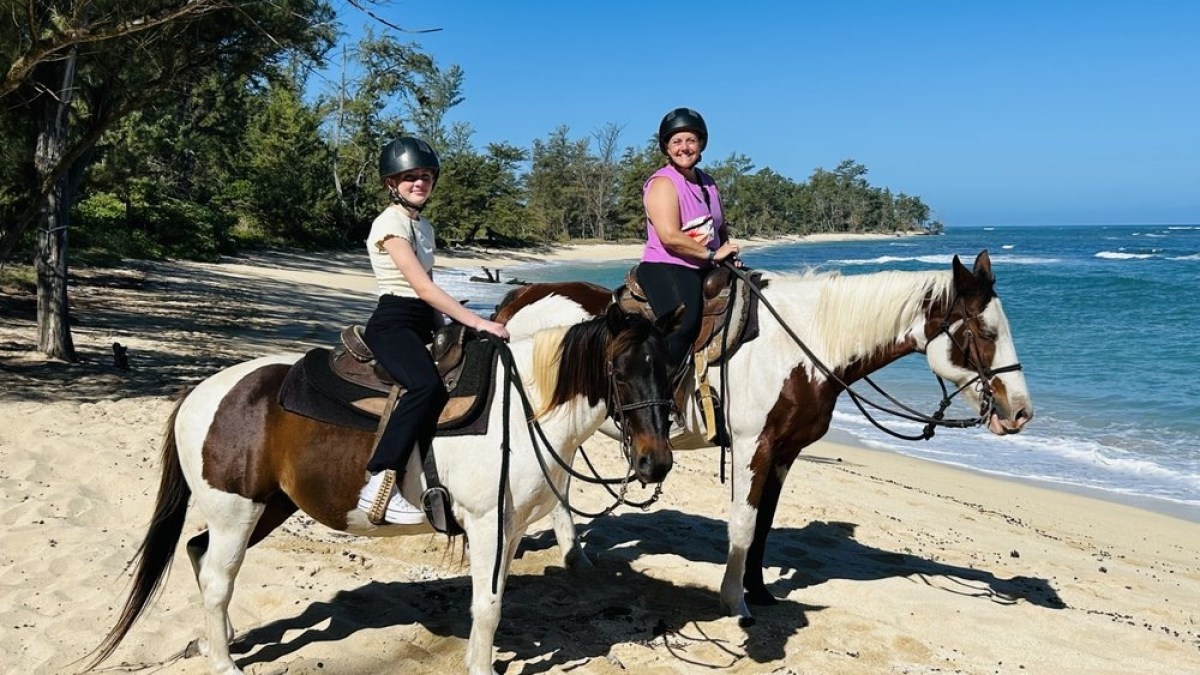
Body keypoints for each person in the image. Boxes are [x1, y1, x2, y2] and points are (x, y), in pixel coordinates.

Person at [358, 136, 509, 525]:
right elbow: (422, 287)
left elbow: (429, 291)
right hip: (393, 322)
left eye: (425, 176)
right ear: (391, 183)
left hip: (424, 320)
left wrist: (449, 329)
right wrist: (477, 320)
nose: (419, 183)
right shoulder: (389, 224)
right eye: (410, 177)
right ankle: (380, 478)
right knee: (424, 386)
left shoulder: (424, 227)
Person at [638, 107, 740, 373]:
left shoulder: (708, 183)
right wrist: (711, 255)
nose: (684, 147)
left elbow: (719, 227)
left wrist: (727, 255)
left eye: (691, 140)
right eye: (677, 141)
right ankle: (663, 387)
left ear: (701, 144)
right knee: (683, 325)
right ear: (666, 147)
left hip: (706, 264)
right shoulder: (663, 183)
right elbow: (670, 236)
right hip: (667, 266)